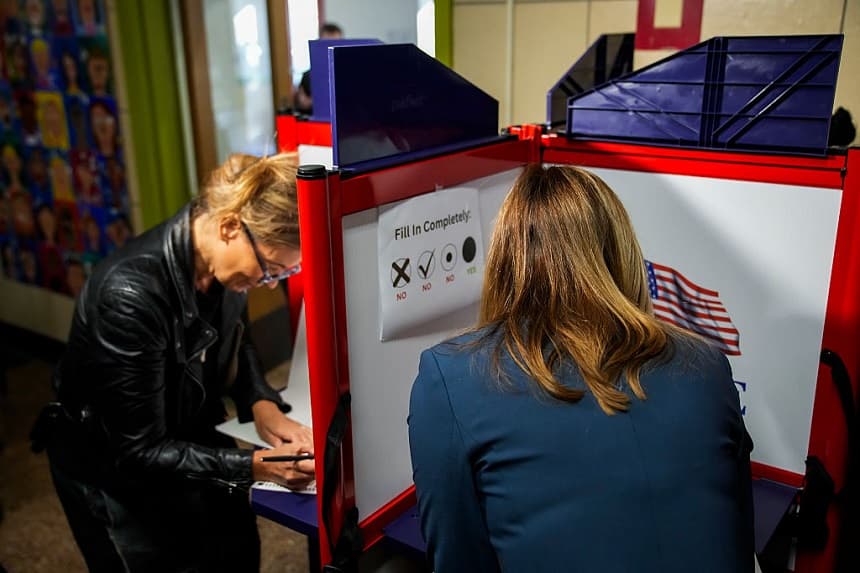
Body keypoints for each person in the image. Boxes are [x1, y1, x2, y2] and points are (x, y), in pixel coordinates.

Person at [408, 165, 755, 573]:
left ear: (504, 259)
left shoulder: (450, 378)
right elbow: (737, 538)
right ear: (622, 253)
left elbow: (458, 561)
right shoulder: (707, 364)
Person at [33, 153, 315, 572]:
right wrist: (257, 466)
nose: (267, 284)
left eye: (282, 274)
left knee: (236, 553)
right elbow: (139, 450)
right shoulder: (129, 296)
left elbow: (236, 339)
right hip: (115, 471)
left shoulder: (226, 263)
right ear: (230, 226)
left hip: (189, 433)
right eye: (270, 270)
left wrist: (262, 404)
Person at [294, 22, 342, 115]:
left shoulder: (350, 75)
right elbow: (302, 107)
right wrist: (304, 103)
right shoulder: (308, 76)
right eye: (326, 44)